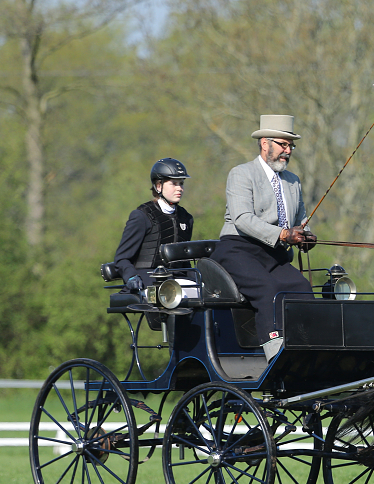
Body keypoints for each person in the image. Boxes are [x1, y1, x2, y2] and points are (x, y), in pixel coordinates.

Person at [209, 114, 317, 359]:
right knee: (268, 290)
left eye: (291, 146)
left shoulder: (293, 181)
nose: (287, 151)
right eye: (283, 144)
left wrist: (305, 236)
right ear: (265, 143)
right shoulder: (241, 174)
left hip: (274, 254)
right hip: (238, 249)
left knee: (302, 289)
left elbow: (300, 220)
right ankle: (276, 356)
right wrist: (282, 233)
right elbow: (242, 219)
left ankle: (307, 351)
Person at [113, 158, 194, 294]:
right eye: (174, 183)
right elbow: (122, 258)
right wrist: (131, 277)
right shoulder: (142, 216)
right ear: (158, 186)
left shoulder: (186, 218)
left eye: (181, 183)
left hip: (179, 280)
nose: (180, 188)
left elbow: (184, 261)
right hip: (148, 280)